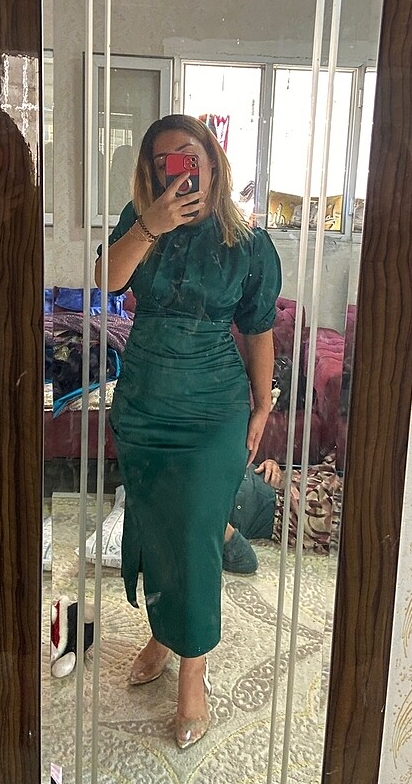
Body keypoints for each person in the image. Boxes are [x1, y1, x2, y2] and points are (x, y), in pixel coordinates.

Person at [94, 114, 281, 750]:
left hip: (212, 406)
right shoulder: (139, 220)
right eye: (163, 162)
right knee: (156, 521)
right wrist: (152, 223)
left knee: (196, 530)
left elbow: (258, 329)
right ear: (151, 172)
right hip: (144, 401)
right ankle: (162, 632)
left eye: (188, 158)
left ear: (212, 162)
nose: (177, 171)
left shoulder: (248, 242)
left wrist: (262, 406)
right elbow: (107, 281)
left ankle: (192, 671)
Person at [222, 458, 343, 574]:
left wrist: (272, 463)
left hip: (273, 479)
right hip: (292, 512)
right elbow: (247, 562)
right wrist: (219, 525)